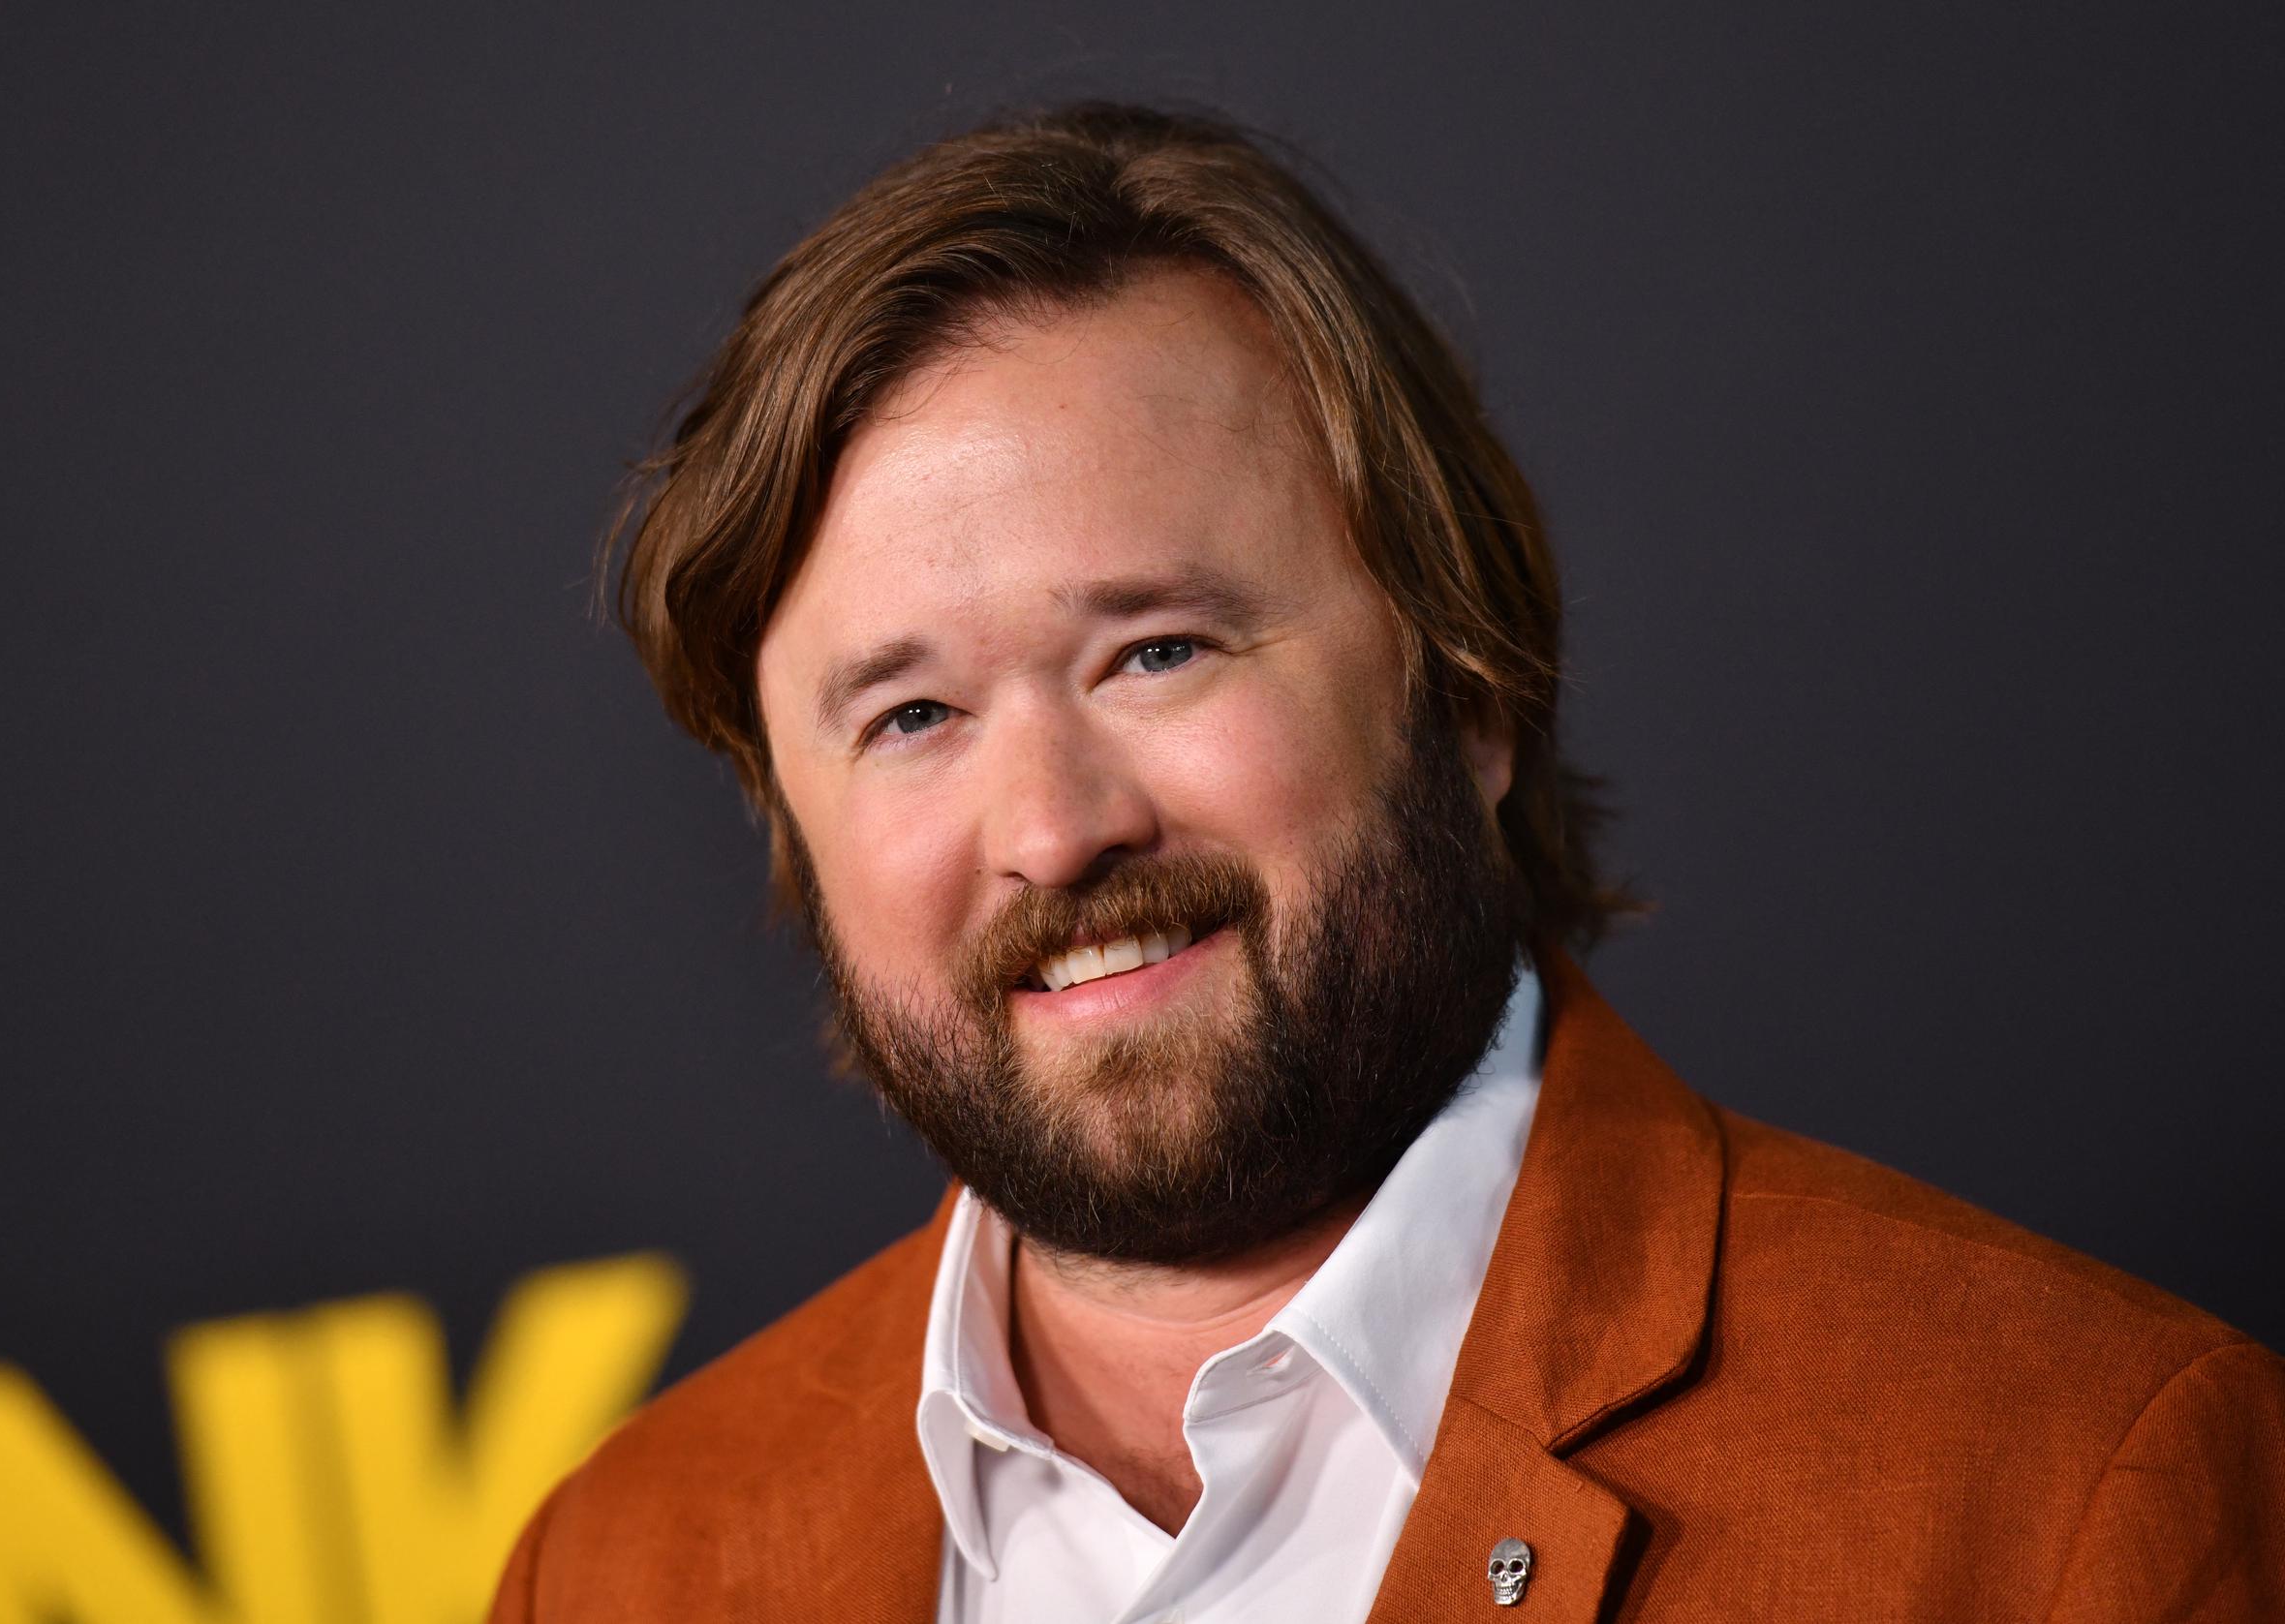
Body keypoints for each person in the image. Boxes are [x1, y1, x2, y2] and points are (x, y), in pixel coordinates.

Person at [488, 102, 2283, 1622]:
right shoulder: (621, 1562)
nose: (1052, 827)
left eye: (1157, 649)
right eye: (908, 716)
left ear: (1470, 681)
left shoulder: (2076, 1495)